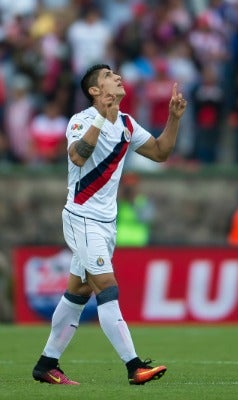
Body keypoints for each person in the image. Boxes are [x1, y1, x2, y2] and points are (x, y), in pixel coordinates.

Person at [31, 64, 187, 385]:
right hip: (82, 217)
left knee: (79, 291)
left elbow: (160, 152)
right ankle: (134, 367)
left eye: (116, 74)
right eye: (108, 76)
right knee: (106, 287)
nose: (117, 77)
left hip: (106, 222)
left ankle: (46, 364)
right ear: (95, 91)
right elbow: (77, 157)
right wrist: (102, 117)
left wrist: (173, 118)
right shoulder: (81, 120)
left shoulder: (127, 124)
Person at [116, 172, 155, 247]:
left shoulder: (144, 201)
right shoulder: (117, 201)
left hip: (139, 242)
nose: (130, 189)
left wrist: (133, 203)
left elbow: (147, 218)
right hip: (120, 242)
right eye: (127, 186)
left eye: (132, 186)